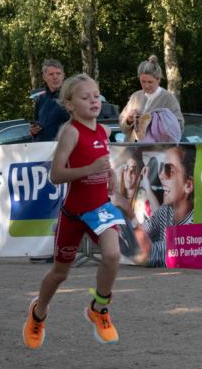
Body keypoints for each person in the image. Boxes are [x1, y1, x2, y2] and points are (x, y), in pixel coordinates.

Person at [23, 74, 126, 349]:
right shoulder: (70, 132)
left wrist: (110, 172)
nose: (93, 101)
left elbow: (101, 162)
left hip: (100, 209)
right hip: (74, 214)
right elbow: (56, 175)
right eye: (85, 97)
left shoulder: (103, 131)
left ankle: (99, 309)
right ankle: (38, 312)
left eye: (96, 96)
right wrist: (90, 170)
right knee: (59, 273)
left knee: (113, 255)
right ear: (69, 104)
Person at [140, 144, 195, 267]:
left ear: (188, 186)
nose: (161, 176)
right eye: (162, 169)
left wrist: (126, 209)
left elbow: (145, 254)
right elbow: (140, 233)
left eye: (169, 170)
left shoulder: (195, 223)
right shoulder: (165, 211)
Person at [119, 56, 184, 142]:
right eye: (143, 81)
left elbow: (179, 128)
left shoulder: (168, 98)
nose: (146, 85)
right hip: (132, 149)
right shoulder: (136, 96)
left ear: (158, 79)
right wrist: (129, 120)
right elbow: (122, 127)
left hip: (156, 151)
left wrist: (157, 124)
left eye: (150, 82)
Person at [29, 59, 70, 142]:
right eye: (51, 74)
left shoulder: (70, 97)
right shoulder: (40, 99)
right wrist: (33, 131)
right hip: (43, 149)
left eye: (58, 73)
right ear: (44, 77)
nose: (55, 77)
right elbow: (36, 126)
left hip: (64, 148)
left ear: (63, 75)